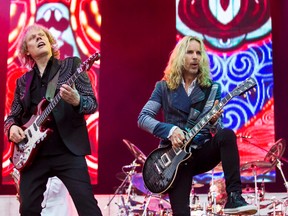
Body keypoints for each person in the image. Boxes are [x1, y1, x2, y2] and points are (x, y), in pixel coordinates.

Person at [137, 35, 257, 215]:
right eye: (190, 52)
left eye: (198, 53)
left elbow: (216, 130)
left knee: (226, 135)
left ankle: (234, 196)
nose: (195, 57)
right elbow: (143, 118)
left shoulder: (212, 89)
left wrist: (215, 121)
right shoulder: (162, 88)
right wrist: (171, 131)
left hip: (201, 152)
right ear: (179, 57)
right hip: (175, 161)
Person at [4, 23, 102, 216]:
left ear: (50, 43)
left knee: (88, 208)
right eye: (33, 38)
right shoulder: (22, 81)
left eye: (42, 36)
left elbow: (92, 103)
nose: (39, 38)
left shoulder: (71, 66)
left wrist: (77, 101)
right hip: (32, 156)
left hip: (67, 151)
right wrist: (11, 128)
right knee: (28, 209)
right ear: (27, 51)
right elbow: (13, 115)